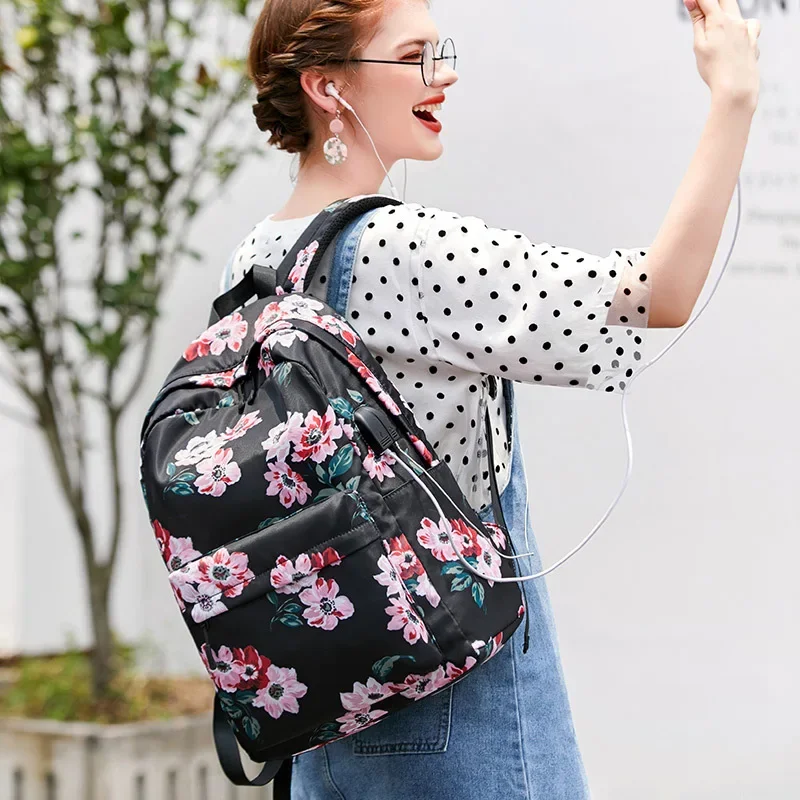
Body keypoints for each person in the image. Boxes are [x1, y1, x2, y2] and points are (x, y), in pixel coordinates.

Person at [217, 1, 760, 797]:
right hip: (458, 715)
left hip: (329, 713)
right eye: (415, 58)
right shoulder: (400, 246)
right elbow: (656, 296)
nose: (446, 75)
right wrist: (734, 97)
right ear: (327, 86)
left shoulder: (260, 255)